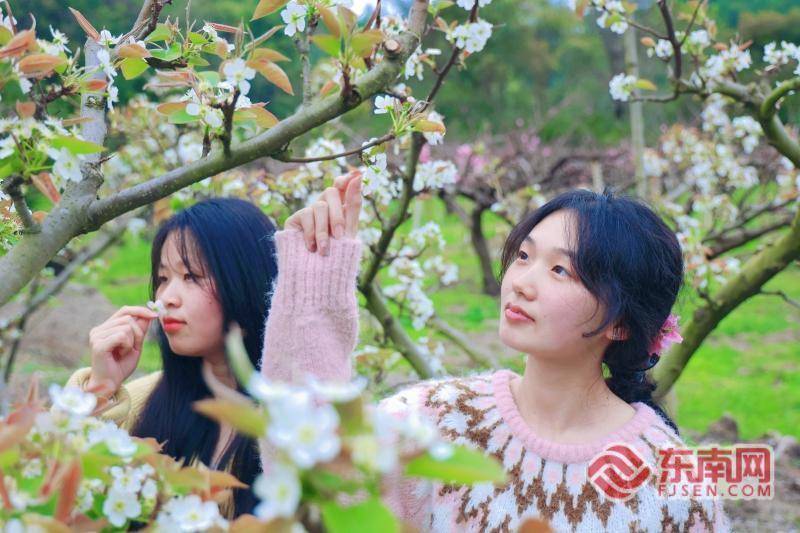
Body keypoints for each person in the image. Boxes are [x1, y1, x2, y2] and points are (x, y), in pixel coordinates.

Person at [259, 184, 730, 532]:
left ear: (621, 324)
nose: (521, 282)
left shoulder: (669, 479)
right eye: (523, 256)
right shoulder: (437, 420)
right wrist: (313, 291)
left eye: (559, 269)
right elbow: (320, 494)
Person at [67, 197, 278, 518]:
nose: (166, 298)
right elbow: (54, 493)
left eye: (191, 276)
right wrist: (100, 389)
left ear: (245, 280)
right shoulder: (142, 403)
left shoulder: (289, 413)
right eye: (163, 278)